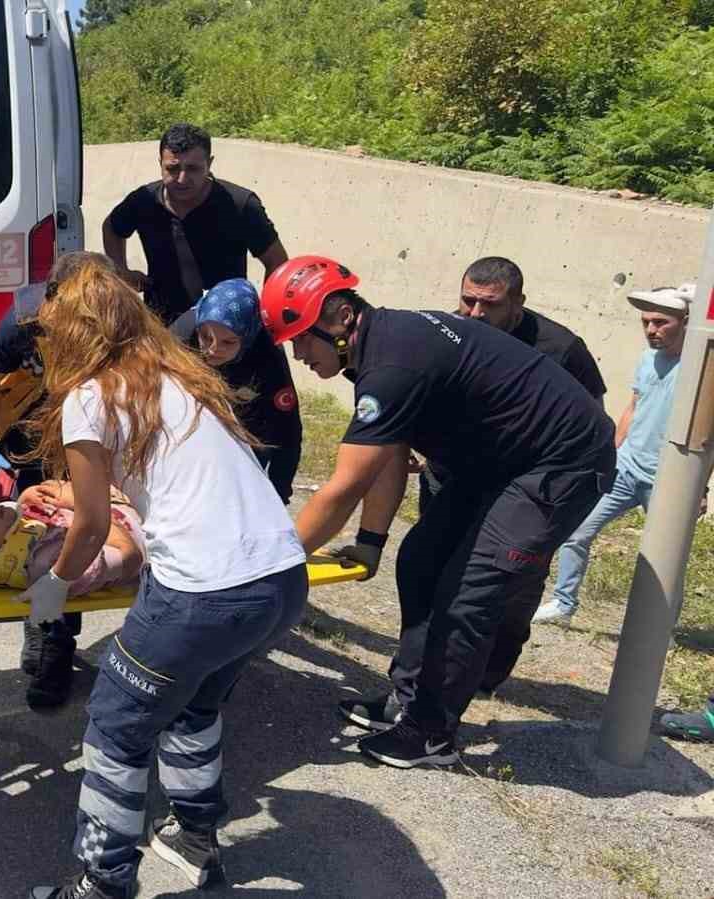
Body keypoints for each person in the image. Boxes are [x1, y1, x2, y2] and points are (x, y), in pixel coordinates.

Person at [264, 255, 616, 770]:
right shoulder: (385, 345)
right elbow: (388, 448)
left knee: (467, 596)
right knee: (421, 560)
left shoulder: (391, 362)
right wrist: (371, 542)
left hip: (560, 465)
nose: (297, 354)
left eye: (300, 337)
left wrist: (272, 564)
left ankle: (432, 733)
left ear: (340, 318)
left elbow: (342, 488)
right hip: (499, 462)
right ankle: (409, 701)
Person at [24, 266, 309, 899]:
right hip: (282, 577)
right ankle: (195, 838)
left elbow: (94, 522)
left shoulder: (91, 396)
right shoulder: (183, 378)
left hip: (204, 591)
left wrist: (56, 586)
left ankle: (103, 883)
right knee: (194, 706)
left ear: (72, 332)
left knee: (115, 724)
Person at [415, 256, 609, 694]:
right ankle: (427, 671)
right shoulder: (448, 332)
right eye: (468, 300)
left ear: (517, 305)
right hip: (453, 476)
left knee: (512, 589)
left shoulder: (560, 348)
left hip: (524, 490)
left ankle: (487, 675)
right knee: (434, 570)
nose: (476, 313)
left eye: (490, 304)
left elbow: (593, 420)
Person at [0, 251, 122, 710]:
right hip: (28, 436)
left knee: (74, 535)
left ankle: (58, 648)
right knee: (31, 538)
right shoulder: (22, 321)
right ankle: (38, 628)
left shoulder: (112, 328)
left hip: (84, 438)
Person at [533, 283, 706, 624]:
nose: (651, 330)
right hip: (626, 468)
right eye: (645, 322)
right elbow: (633, 407)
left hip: (668, 480)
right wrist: (610, 453)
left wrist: (700, 486)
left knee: (666, 559)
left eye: (660, 322)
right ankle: (564, 604)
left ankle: (658, 629)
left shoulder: (700, 370)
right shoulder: (647, 359)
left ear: (687, 321)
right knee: (576, 530)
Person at [101, 122, 288, 325]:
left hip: (226, 331)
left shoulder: (240, 205)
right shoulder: (143, 201)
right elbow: (112, 227)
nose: (182, 179)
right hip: (163, 328)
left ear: (209, 164)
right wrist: (121, 272)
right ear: (160, 164)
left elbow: (276, 262)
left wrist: (266, 314)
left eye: (193, 169)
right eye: (172, 169)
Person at [168, 277, 302, 503]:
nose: (212, 350)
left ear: (247, 336)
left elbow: (287, 432)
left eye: (227, 342)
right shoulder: (181, 334)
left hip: (248, 424)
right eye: (206, 337)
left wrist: (279, 493)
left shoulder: (268, 358)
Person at [0, 483, 146, 596]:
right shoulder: (54, 568)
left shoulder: (13, 536)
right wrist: (85, 502)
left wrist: (26, 500)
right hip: (154, 527)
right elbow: (131, 556)